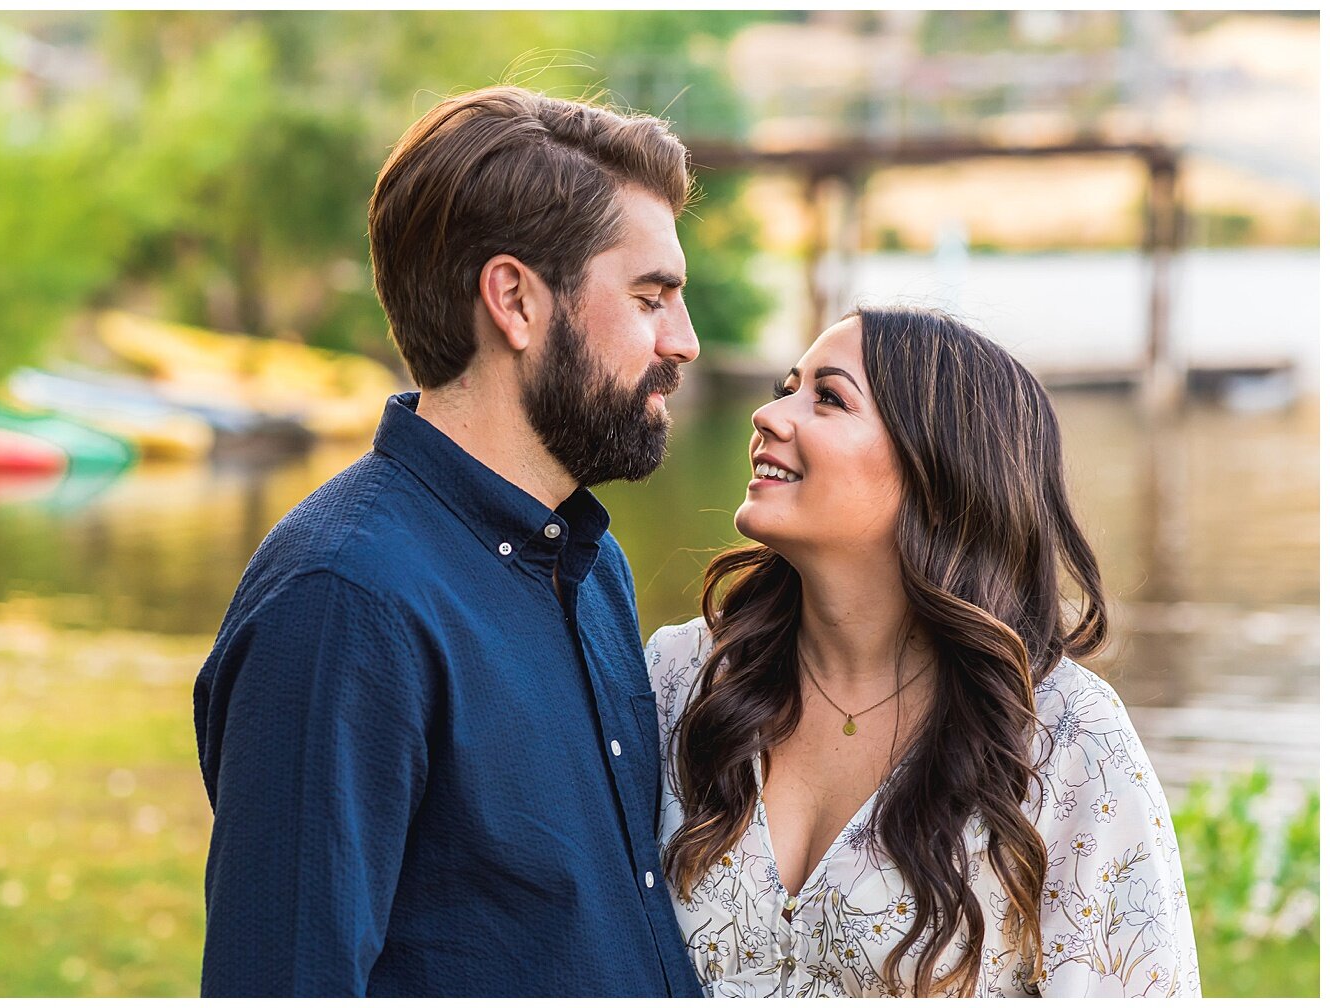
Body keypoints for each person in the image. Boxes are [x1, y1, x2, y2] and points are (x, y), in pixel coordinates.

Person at [193, 86, 703, 996]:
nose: (686, 341)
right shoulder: (344, 600)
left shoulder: (592, 568)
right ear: (514, 299)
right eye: (651, 297)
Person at [646, 306, 1201, 997]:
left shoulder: (1066, 737)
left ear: (938, 469)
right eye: (786, 388)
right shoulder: (681, 676)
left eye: (828, 397)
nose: (771, 415)